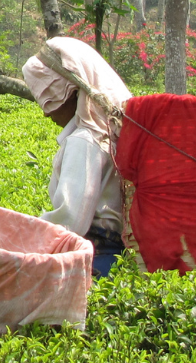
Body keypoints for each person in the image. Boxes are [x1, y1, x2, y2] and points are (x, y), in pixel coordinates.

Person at [20, 36, 133, 277]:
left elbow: (69, 221)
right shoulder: (113, 130)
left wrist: (20, 242)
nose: (46, 113)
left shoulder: (84, 140)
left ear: (72, 91)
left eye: (49, 99)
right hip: (118, 255)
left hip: (97, 258)